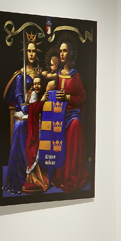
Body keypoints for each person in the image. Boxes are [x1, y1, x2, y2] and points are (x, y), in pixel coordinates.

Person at [48, 40, 89, 193]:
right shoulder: (57, 75)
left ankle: (72, 174)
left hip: (72, 114)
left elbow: (82, 97)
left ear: (70, 53)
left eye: (65, 51)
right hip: (58, 114)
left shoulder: (75, 75)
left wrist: (68, 98)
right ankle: (58, 175)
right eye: (60, 51)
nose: (62, 54)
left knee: (75, 125)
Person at [1, 37, 40, 194]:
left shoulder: (39, 72)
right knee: (19, 125)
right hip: (24, 110)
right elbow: (18, 93)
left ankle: (33, 174)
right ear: (25, 53)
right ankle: (19, 176)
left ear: (36, 53)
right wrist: (22, 105)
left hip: (37, 111)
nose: (31, 54)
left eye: (33, 51)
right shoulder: (20, 75)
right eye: (28, 51)